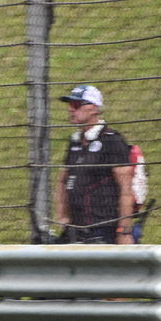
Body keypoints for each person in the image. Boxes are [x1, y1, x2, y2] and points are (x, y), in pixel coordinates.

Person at [54, 85, 137, 245]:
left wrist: (124, 231)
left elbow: (126, 190)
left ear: (94, 108)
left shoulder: (112, 140)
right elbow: (62, 179)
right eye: (70, 105)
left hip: (104, 230)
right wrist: (63, 217)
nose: (71, 110)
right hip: (76, 230)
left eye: (76, 105)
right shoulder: (74, 142)